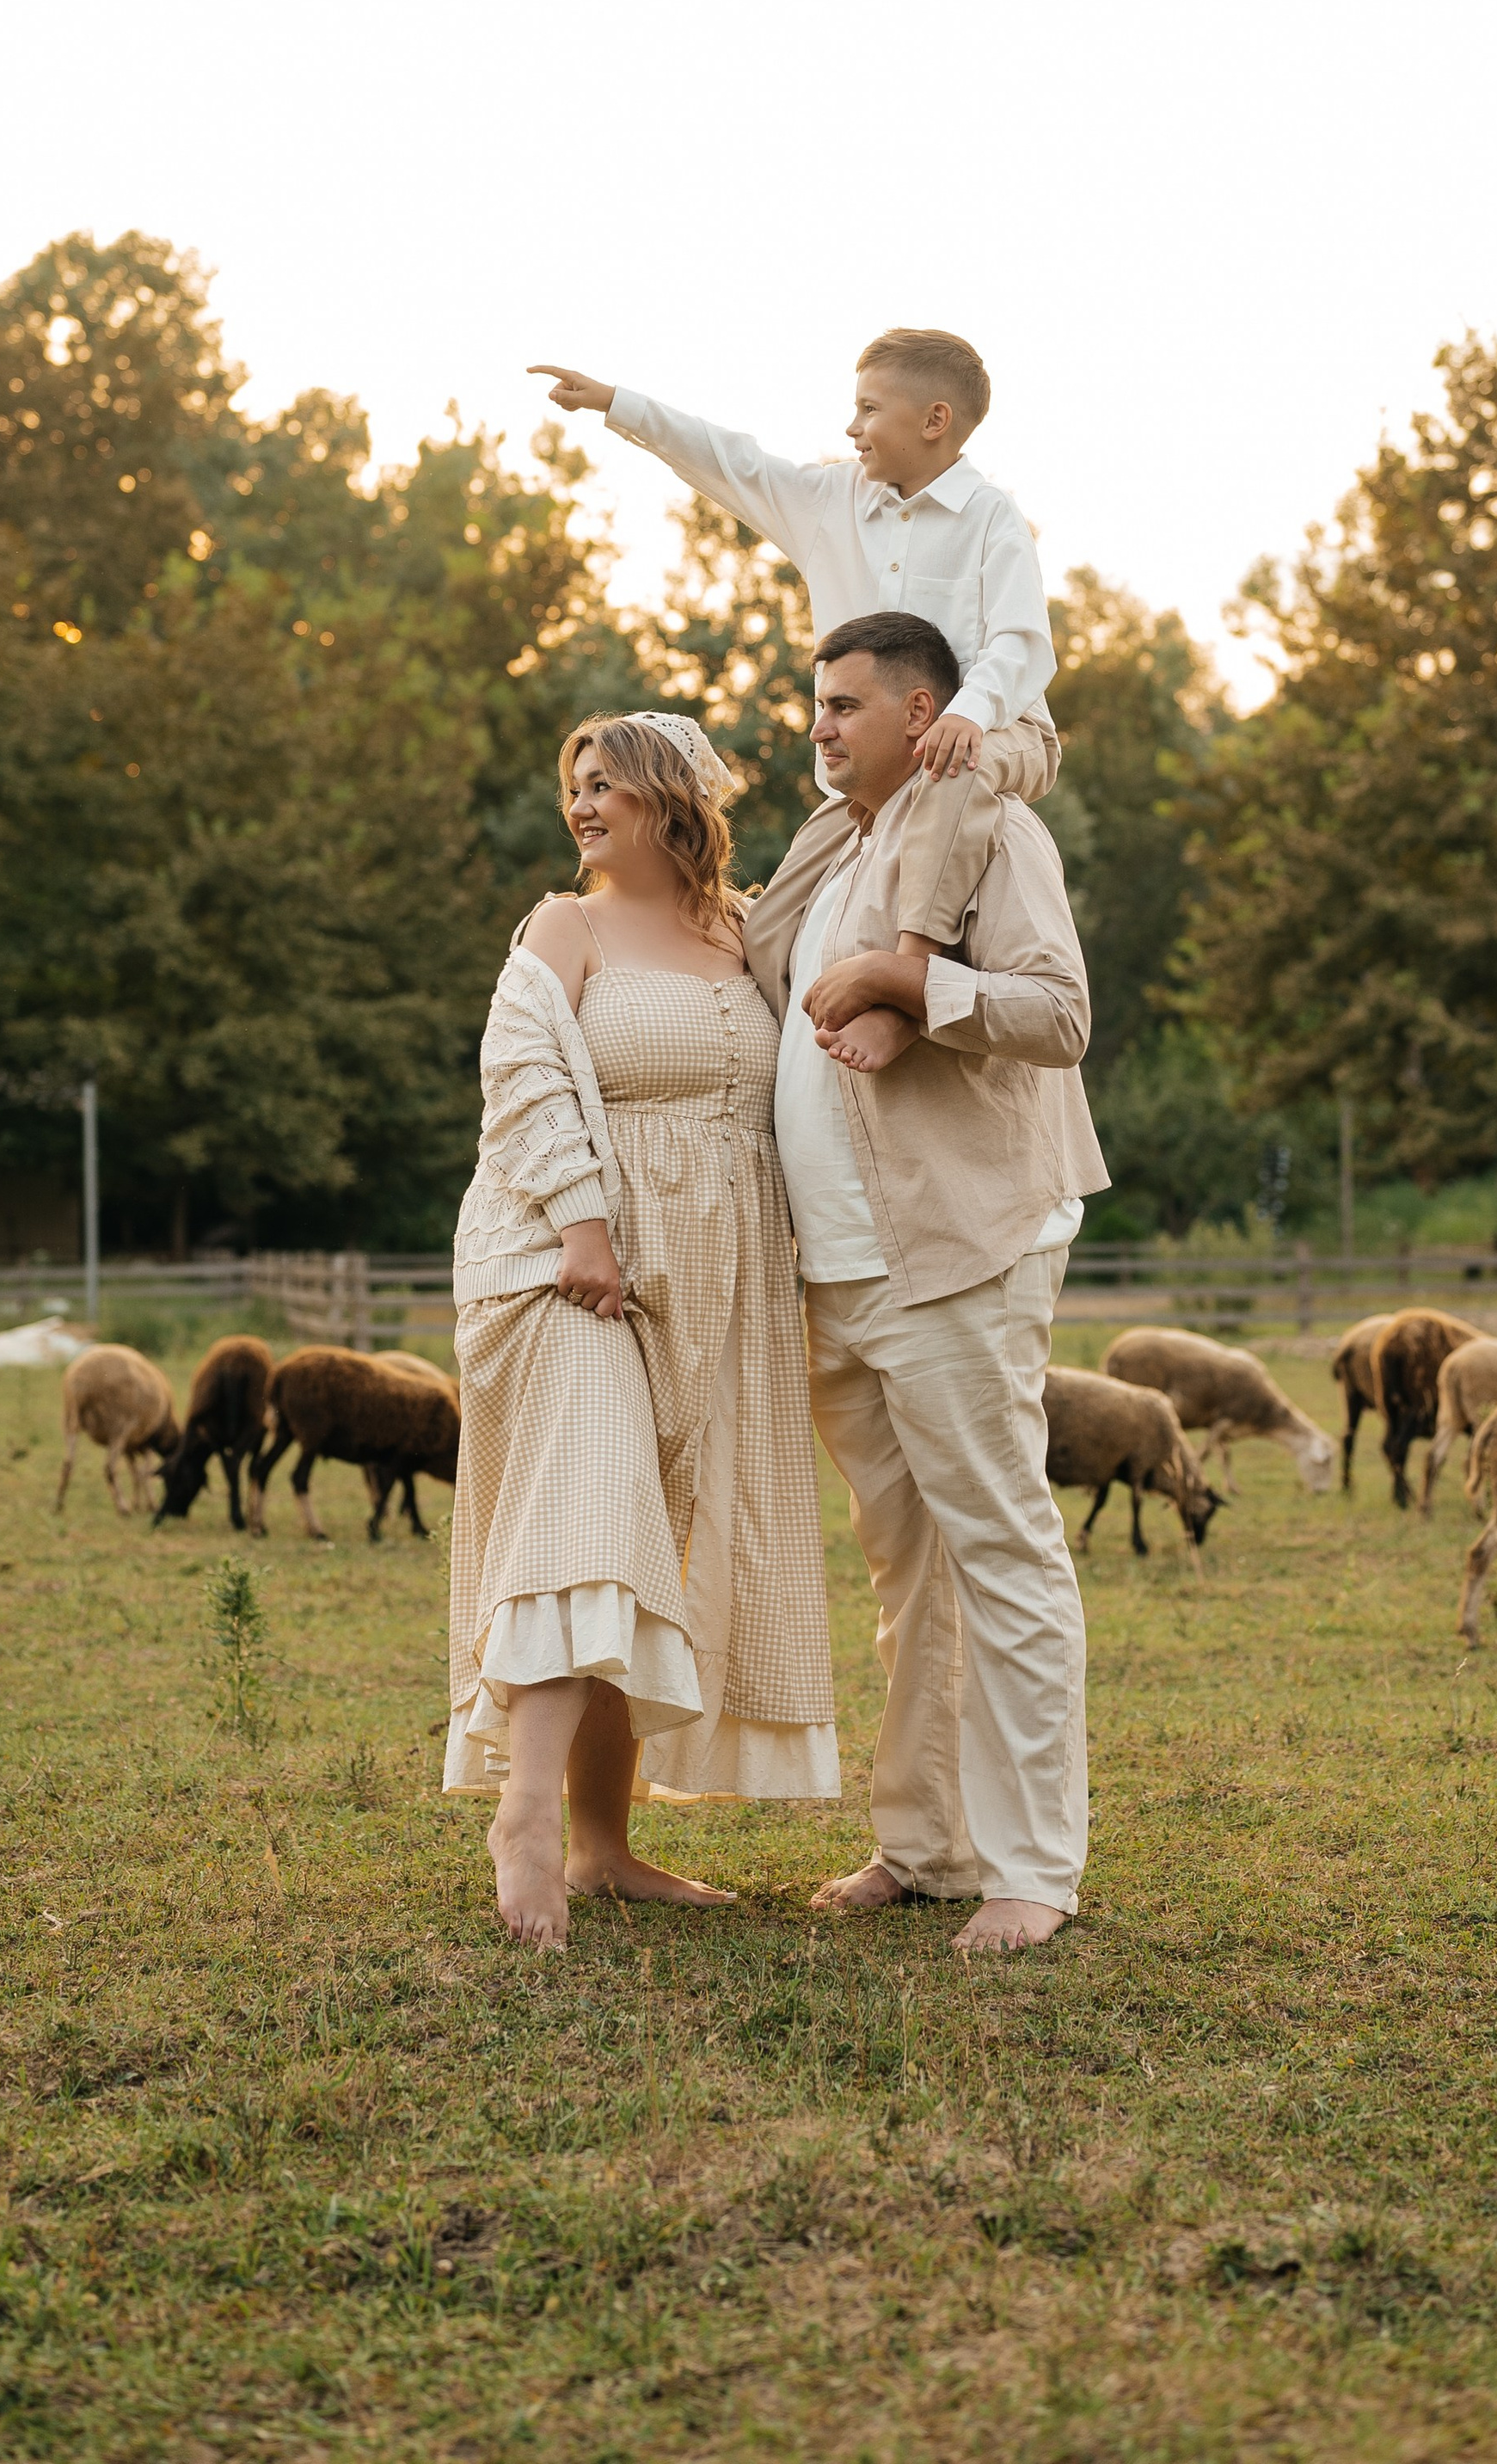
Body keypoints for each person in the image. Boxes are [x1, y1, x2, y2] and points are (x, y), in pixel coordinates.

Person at [744, 610, 1109, 1956]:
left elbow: (1059, 1014)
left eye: (844, 703)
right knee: (908, 1568)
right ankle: (927, 1843)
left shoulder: (995, 833)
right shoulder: (830, 849)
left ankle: (1033, 1870)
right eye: (816, 703)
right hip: (833, 1267)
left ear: (920, 710)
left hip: (952, 1251)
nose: (820, 725)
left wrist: (915, 981)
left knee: (1002, 1550)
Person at [445, 710, 838, 1951]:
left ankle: (607, 1848)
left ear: (673, 795)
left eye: (607, 782)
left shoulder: (741, 932)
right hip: (566, 1263)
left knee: (650, 1539)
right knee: (591, 1504)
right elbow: (521, 1072)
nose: (583, 805)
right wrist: (583, 1227)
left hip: (716, 1274)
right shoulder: (564, 926)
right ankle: (524, 1817)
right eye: (575, 785)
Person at [530, 332, 1055, 1072]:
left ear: (934, 420)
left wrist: (969, 709)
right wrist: (620, 404)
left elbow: (1022, 639)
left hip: (992, 733)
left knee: (951, 776)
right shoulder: (829, 502)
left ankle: (904, 985)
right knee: (773, 923)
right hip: (875, 773)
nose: (851, 427)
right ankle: (783, 1072)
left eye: (869, 409)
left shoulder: (989, 516)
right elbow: (731, 461)